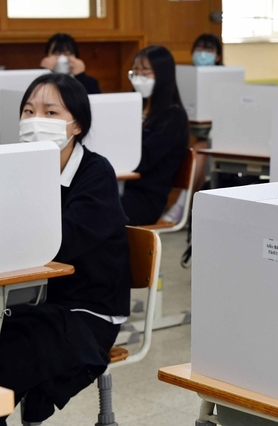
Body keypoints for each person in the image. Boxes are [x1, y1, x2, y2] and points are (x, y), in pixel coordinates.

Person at [0, 73, 131, 424]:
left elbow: (63, 241)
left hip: (88, 312)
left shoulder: (95, 172)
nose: (34, 120)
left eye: (50, 112)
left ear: (76, 125)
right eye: (28, 111)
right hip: (35, 301)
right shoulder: (22, 168)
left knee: (7, 357)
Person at [122, 45, 189, 226]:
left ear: (163, 74)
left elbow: (142, 160)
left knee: (94, 211)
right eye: (135, 71)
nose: (139, 76)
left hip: (144, 198)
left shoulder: (172, 117)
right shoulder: (130, 108)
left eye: (145, 71)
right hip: (120, 188)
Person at [161, 34, 224, 224]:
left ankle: (182, 204)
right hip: (189, 131)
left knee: (198, 152)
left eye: (209, 50)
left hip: (216, 136)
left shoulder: (226, 79)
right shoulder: (184, 77)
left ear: (218, 56)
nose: (203, 54)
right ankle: (184, 205)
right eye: (199, 49)